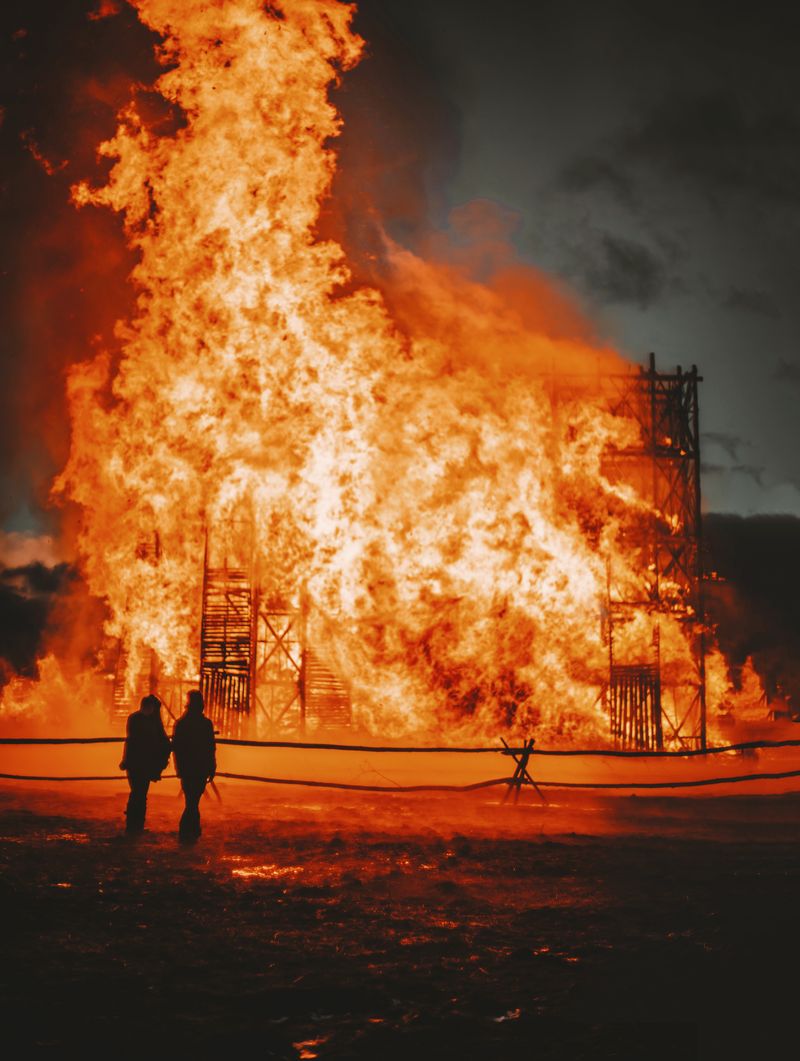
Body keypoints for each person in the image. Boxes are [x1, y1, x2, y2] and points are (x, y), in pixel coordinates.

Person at [119, 694, 172, 834]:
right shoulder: (136, 719)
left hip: (144, 763)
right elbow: (132, 740)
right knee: (138, 792)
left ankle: (136, 825)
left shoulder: (151, 720)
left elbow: (162, 739)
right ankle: (133, 824)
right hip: (136, 762)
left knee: (140, 793)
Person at [171, 689, 216, 842]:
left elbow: (177, 748)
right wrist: (212, 767)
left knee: (191, 800)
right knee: (193, 801)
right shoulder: (205, 724)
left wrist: (179, 768)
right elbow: (211, 748)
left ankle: (191, 831)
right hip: (199, 768)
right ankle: (189, 830)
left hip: (189, 768)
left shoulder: (181, 723)